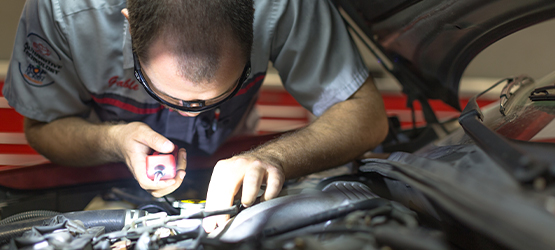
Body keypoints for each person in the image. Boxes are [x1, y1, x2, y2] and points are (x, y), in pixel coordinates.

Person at [3, 0, 388, 231]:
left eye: (218, 95)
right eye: (167, 95)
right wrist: (112, 141)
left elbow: (366, 114)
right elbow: (42, 127)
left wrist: (272, 158)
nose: (189, 117)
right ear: (128, 23)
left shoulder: (284, 5)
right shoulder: (63, 11)